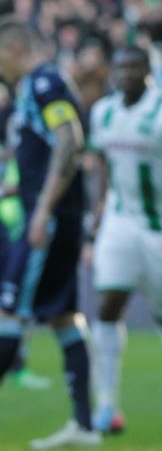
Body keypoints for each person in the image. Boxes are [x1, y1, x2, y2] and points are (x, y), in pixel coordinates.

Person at [85, 46, 162, 437]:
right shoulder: (102, 112)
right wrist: (101, 208)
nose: (127, 74)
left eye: (135, 67)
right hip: (119, 222)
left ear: (149, 71)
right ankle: (106, 405)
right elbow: (104, 164)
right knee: (107, 304)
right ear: (112, 72)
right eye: (120, 67)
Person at [0, 17, 101, 448]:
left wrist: (41, 209)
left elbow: (69, 139)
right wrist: (19, 188)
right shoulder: (35, 87)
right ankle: (84, 426)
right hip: (55, 214)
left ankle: (85, 425)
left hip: (50, 219)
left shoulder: (45, 84)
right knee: (64, 316)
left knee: (9, 312)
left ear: (14, 49)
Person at [0, 155, 52, 391]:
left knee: (14, 307)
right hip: (11, 234)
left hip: (16, 234)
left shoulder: (19, 153)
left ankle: (19, 367)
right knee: (12, 309)